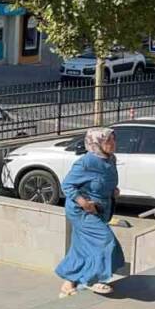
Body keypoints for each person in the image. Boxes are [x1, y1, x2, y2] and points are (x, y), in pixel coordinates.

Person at [56, 127, 125, 297]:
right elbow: (67, 185)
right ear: (97, 143)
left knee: (80, 247)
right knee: (105, 240)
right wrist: (84, 203)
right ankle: (95, 280)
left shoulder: (110, 159)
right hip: (82, 211)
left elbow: (102, 181)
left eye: (113, 140)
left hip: (100, 209)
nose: (113, 143)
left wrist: (112, 190)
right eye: (108, 141)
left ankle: (68, 284)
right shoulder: (86, 162)